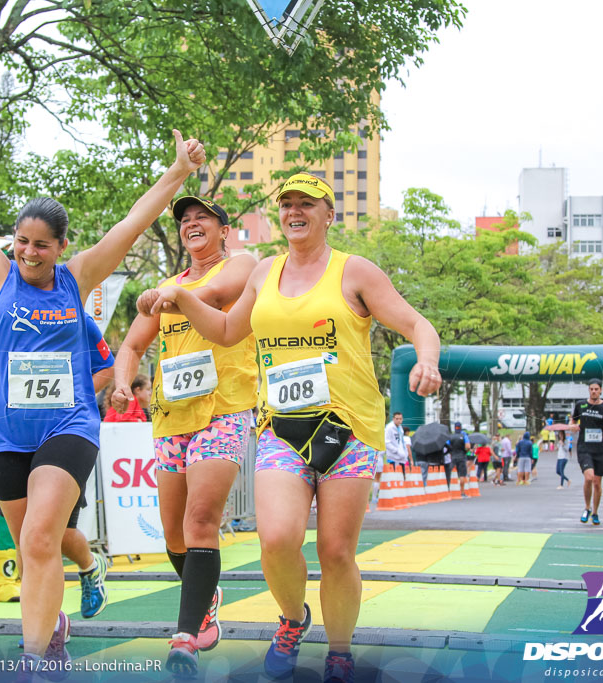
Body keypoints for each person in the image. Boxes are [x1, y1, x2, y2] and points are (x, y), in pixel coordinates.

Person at [0, 93, 205, 675]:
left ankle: (34, 658)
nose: (30, 252)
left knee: (41, 538)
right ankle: (55, 623)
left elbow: (132, 224)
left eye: (42, 244)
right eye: (23, 241)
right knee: (33, 546)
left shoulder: (76, 277)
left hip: (67, 427)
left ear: (61, 247)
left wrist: (178, 172)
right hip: (3, 434)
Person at [145, 173, 441, 682]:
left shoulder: (356, 272)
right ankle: (293, 618)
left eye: (308, 203)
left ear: (329, 214)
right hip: (282, 427)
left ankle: (341, 651)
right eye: (288, 205)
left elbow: (416, 324)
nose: (295, 212)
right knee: (277, 538)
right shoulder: (263, 272)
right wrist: (181, 298)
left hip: (347, 428)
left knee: (335, 550)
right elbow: (223, 329)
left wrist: (428, 362)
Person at [111, 195, 257, 677]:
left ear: (223, 230)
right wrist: (118, 382)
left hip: (225, 408)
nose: (192, 225)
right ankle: (207, 595)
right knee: (174, 534)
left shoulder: (243, 266)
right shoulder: (168, 287)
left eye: (203, 218)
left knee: (200, 522)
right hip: (172, 416)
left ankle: (185, 637)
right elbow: (132, 345)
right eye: (185, 221)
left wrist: (171, 297)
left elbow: (214, 298)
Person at [0, 314, 116, 618]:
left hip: (61, 436)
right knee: (28, 541)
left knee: (58, 534)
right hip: (8, 438)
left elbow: (107, 366)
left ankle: (90, 567)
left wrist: (76, 394)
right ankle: (46, 624)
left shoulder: (74, 316)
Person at [568, 379, 603, 525]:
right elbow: (573, 422)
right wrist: (572, 427)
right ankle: (587, 507)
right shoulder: (581, 405)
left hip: (600, 450)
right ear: (589, 390)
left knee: (597, 483)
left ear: (601, 390)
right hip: (584, 448)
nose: (594, 391)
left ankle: (595, 512)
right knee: (589, 478)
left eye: (596, 389)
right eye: (591, 389)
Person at [445, 422, 470, 498]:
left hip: (453, 457)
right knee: (462, 475)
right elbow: (468, 446)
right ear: (461, 427)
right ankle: (462, 492)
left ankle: (448, 490)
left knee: (449, 473)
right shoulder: (464, 436)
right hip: (462, 456)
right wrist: (465, 451)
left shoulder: (450, 436)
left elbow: (447, 446)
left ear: (454, 428)